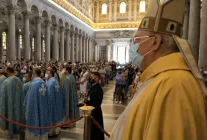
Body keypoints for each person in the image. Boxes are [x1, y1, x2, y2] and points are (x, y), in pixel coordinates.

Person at [110, 0, 207, 139]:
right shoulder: (160, 78)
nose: (133, 47)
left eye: (137, 40)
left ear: (155, 42)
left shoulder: (174, 85)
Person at [0, 66, 24, 139]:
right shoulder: (19, 80)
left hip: (9, 106)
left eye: (6, 70)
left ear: (8, 71)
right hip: (17, 106)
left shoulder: (6, 82)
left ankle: (9, 132)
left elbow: (0, 97)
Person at [24, 67, 50, 140]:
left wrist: (27, 108)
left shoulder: (33, 84)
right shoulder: (43, 83)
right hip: (43, 108)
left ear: (34, 74)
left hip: (35, 107)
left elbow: (30, 98)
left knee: (35, 120)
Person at [84, 72, 104, 140]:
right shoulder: (93, 87)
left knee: (96, 132)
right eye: (91, 77)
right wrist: (86, 101)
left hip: (95, 114)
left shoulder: (98, 89)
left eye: (93, 77)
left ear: (97, 78)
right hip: (91, 112)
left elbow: (95, 104)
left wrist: (87, 104)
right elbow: (90, 98)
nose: (91, 78)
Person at [46, 69, 64, 136]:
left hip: (52, 103)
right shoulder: (56, 81)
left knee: (52, 117)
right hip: (58, 103)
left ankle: (51, 132)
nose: (46, 74)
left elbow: (49, 95)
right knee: (56, 117)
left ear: (51, 74)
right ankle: (56, 131)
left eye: (47, 73)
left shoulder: (50, 82)